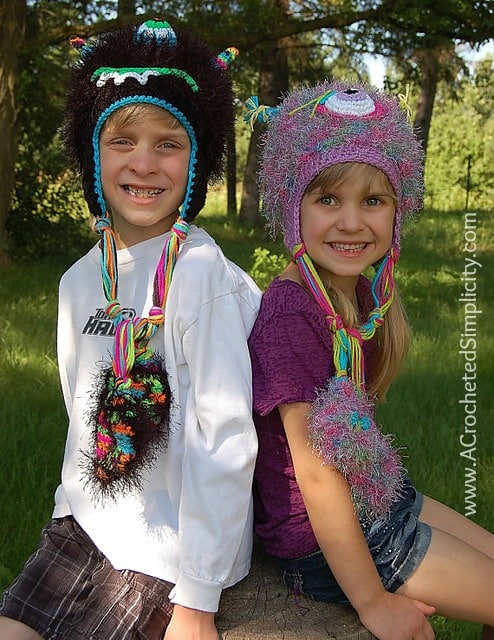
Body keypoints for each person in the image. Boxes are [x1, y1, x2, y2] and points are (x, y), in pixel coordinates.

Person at [0, 19, 261, 640]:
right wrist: (68, 511)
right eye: (121, 140)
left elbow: (225, 440)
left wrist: (197, 601)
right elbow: (80, 415)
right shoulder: (77, 280)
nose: (143, 163)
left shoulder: (203, 276)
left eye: (168, 143)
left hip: (167, 553)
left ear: (198, 160)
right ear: (93, 153)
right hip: (84, 526)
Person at [245, 80, 494, 640]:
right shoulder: (291, 311)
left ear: (397, 212)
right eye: (327, 199)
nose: (352, 222)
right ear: (293, 207)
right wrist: (373, 602)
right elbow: (313, 467)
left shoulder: (360, 298)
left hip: (381, 500)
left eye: (373, 201)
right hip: (323, 539)